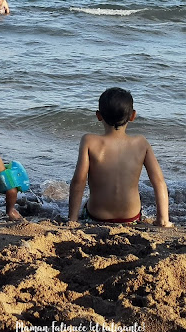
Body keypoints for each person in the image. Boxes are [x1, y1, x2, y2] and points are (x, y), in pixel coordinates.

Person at [68, 87, 172, 227]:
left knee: (87, 203)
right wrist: (163, 220)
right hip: (131, 218)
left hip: (96, 216)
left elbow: (78, 181)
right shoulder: (141, 143)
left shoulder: (89, 141)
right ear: (132, 116)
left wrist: (73, 219)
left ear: (99, 115)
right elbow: (159, 182)